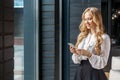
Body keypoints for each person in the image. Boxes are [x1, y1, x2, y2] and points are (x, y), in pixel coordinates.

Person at [69, 7, 111, 80]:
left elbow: (103, 62)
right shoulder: (82, 36)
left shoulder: (104, 38)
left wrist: (89, 54)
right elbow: (76, 61)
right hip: (80, 73)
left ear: (97, 20)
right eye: (85, 19)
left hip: (94, 74)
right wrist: (75, 53)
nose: (86, 22)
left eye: (90, 19)